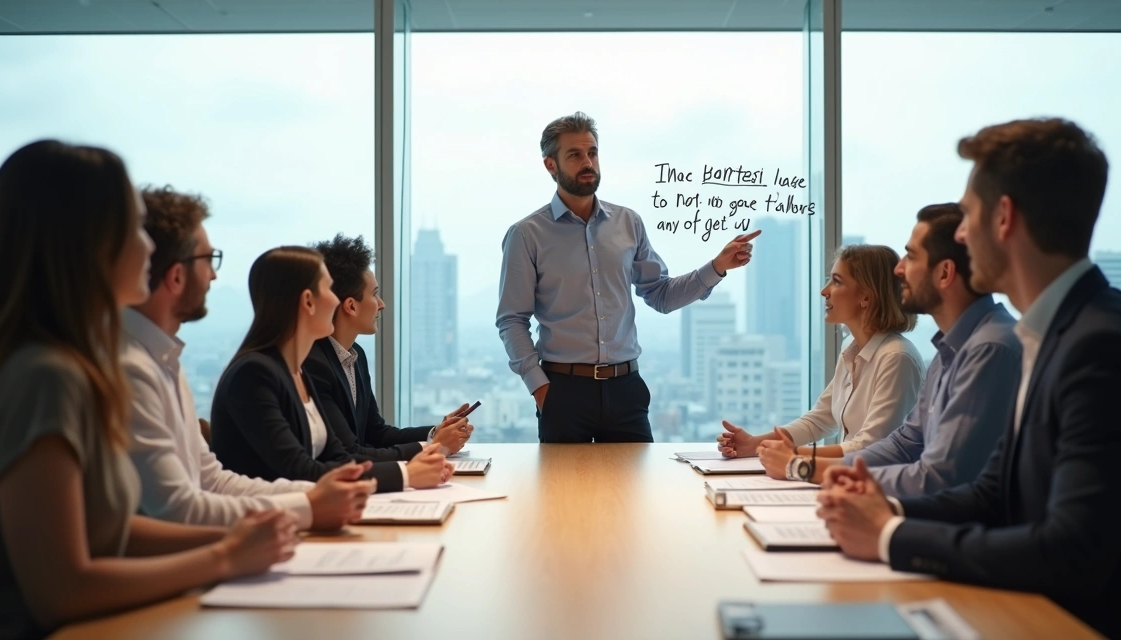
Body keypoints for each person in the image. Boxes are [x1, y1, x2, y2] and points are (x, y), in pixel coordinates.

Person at [816, 118, 1121, 639]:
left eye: (969, 214)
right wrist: (886, 509)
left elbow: (1069, 552)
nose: (961, 234)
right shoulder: (1053, 332)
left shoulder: (1102, 349)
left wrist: (889, 536)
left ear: (1004, 218)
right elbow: (994, 492)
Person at [0, 140, 297, 639]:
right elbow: (60, 589)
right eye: (133, 229)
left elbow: (108, 531)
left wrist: (246, 536)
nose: (149, 248)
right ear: (88, 246)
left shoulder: (75, 368)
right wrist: (224, 556)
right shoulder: (46, 377)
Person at [496, 111, 760, 443]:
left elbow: (661, 295)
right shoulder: (526, 234)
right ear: (551, 165)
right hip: (563, 392)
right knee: (565, 481)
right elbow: (512, 319)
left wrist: (717, 266)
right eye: (574, 155)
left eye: (592, 152)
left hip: (626, 390)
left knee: (638, 479)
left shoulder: (628, 223)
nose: (587, 162)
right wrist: (540, 389)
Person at [123, 186, 377, 531]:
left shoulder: (166, 360)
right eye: (209, 260)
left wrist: (315, 498)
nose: (214, 275)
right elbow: (176, 507)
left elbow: (212, 480)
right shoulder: (134, 368)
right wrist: (309, 505)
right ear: (177, 275)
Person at [755, 205, 1020, 497]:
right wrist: (803, 463)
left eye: (911, 256)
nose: (899, 269)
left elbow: (939, 477)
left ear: (945, 273)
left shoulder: (988, 350)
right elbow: (904, 445)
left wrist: (801, 466)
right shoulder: (949, 350)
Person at [209, 246, 453, 492]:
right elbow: (300, 470)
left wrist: (413, 465)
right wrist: (406, 474)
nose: (337, 300)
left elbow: (339, 458)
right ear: (308, 301)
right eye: (328, 289)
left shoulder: (297, 371)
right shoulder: (254, 374)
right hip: (268, 512)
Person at [717, 245, 925, 466]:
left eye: (837, 282)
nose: (824, 291)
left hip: (880, 483)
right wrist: (754, 444)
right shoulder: (851, 348)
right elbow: (818, 420)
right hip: (850, 477)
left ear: (866, 296)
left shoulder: (897, 358)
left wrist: (794, 457)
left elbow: (871, 447)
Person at [305, 234, 472, 461]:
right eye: (375, 294)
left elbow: (375, 433)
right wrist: (434, 447)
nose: (382, 304)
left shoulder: (355, 355)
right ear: (351, 306)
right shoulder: (315, 364)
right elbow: (348, 453)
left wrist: (436, 433)